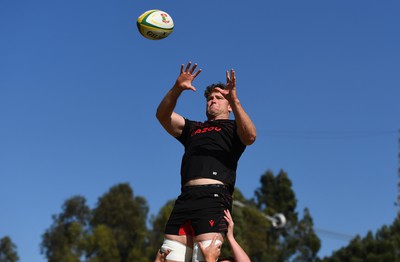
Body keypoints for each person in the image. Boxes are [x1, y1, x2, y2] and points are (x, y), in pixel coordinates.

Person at [156, 61, 256, 262]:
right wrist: (177, 89)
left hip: (214, 197)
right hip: (186, 198)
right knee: (167, 257)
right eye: (209, 98)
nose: (212, 101)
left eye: (219, 98)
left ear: (228, 105)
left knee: (204, 257)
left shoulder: (233, 128)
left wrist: (235, 100)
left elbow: (251, 136)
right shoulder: (193, 128)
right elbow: (162, 116)